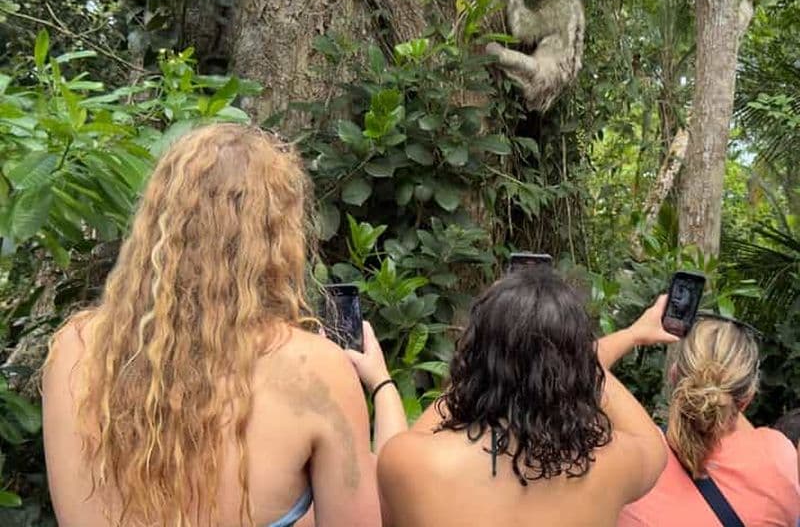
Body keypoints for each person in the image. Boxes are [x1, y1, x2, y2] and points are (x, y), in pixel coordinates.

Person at [42, 124, 381, 527]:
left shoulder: (75, 349)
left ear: (157, 220)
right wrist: (380, 385)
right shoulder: (316, 371)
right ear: (279, 237)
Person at [376, 266, 668, 527]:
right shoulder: (610, 466)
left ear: (476, 356)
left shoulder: (410, 464)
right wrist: (606, 347)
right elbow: (650, 444)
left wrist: (383, 382)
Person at [607, 312, 800, 526]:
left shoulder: (631, 464)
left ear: (673, 376)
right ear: (746, 401)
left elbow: (570, 368)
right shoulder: (779, 456)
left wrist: (633, 334)